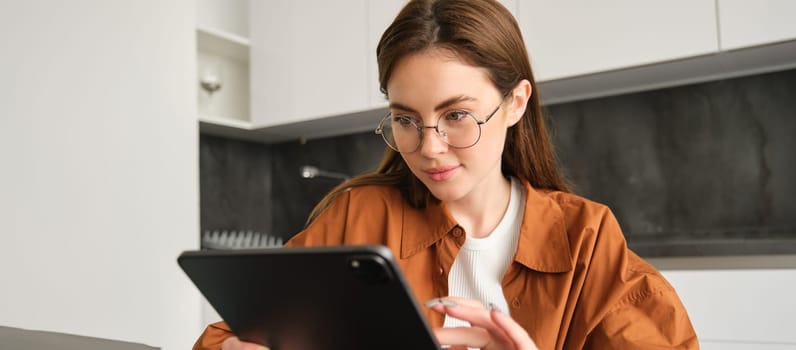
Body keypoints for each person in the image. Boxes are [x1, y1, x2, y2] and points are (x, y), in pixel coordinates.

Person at [194, 0, 698, 349]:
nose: (430, 149)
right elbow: (228, 333)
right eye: (406, 119)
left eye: (457, 115)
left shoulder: (587, 240)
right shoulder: (358, 217)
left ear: (515, 103)